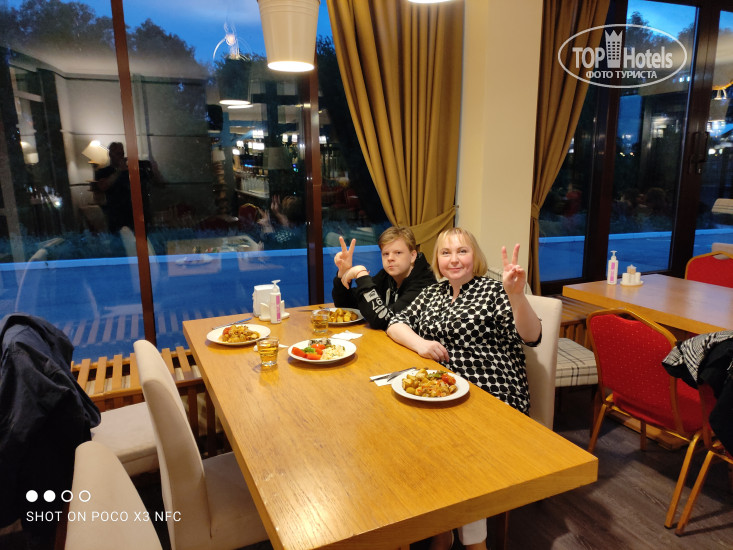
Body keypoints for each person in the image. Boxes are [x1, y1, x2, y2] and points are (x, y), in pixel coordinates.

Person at [386, 227, 542, 550]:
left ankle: (469, 541)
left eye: (462, 251)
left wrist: (517, 296)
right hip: (444, 393)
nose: (454, 259)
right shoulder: (433, 293)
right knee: (402, 431)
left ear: (475, 256)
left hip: (493, 392)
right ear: (437, 259)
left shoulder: (494, 290)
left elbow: (532, 336)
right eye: (446, 253)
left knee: (457, 446)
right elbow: (395, 324)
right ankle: (441, 527)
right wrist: (421, 344)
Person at [331, 226, 436, 330]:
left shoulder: (425, 283)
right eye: (386, 254)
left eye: (398, 253)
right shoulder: (386, 275)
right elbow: (348, 305)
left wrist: (361, 274)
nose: (390, 258)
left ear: (412, 256)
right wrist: (342, 273)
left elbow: (382, 321)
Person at [95, 142, 162, 233]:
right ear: (110, 155)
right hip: (117, 218)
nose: (121, 157)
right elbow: (103, 186)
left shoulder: (136, 170)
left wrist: (155, 170)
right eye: (118, 154)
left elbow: (159, 185)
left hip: (139, 216)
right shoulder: (104, 172)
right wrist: (119, 170)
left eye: (122, 153)